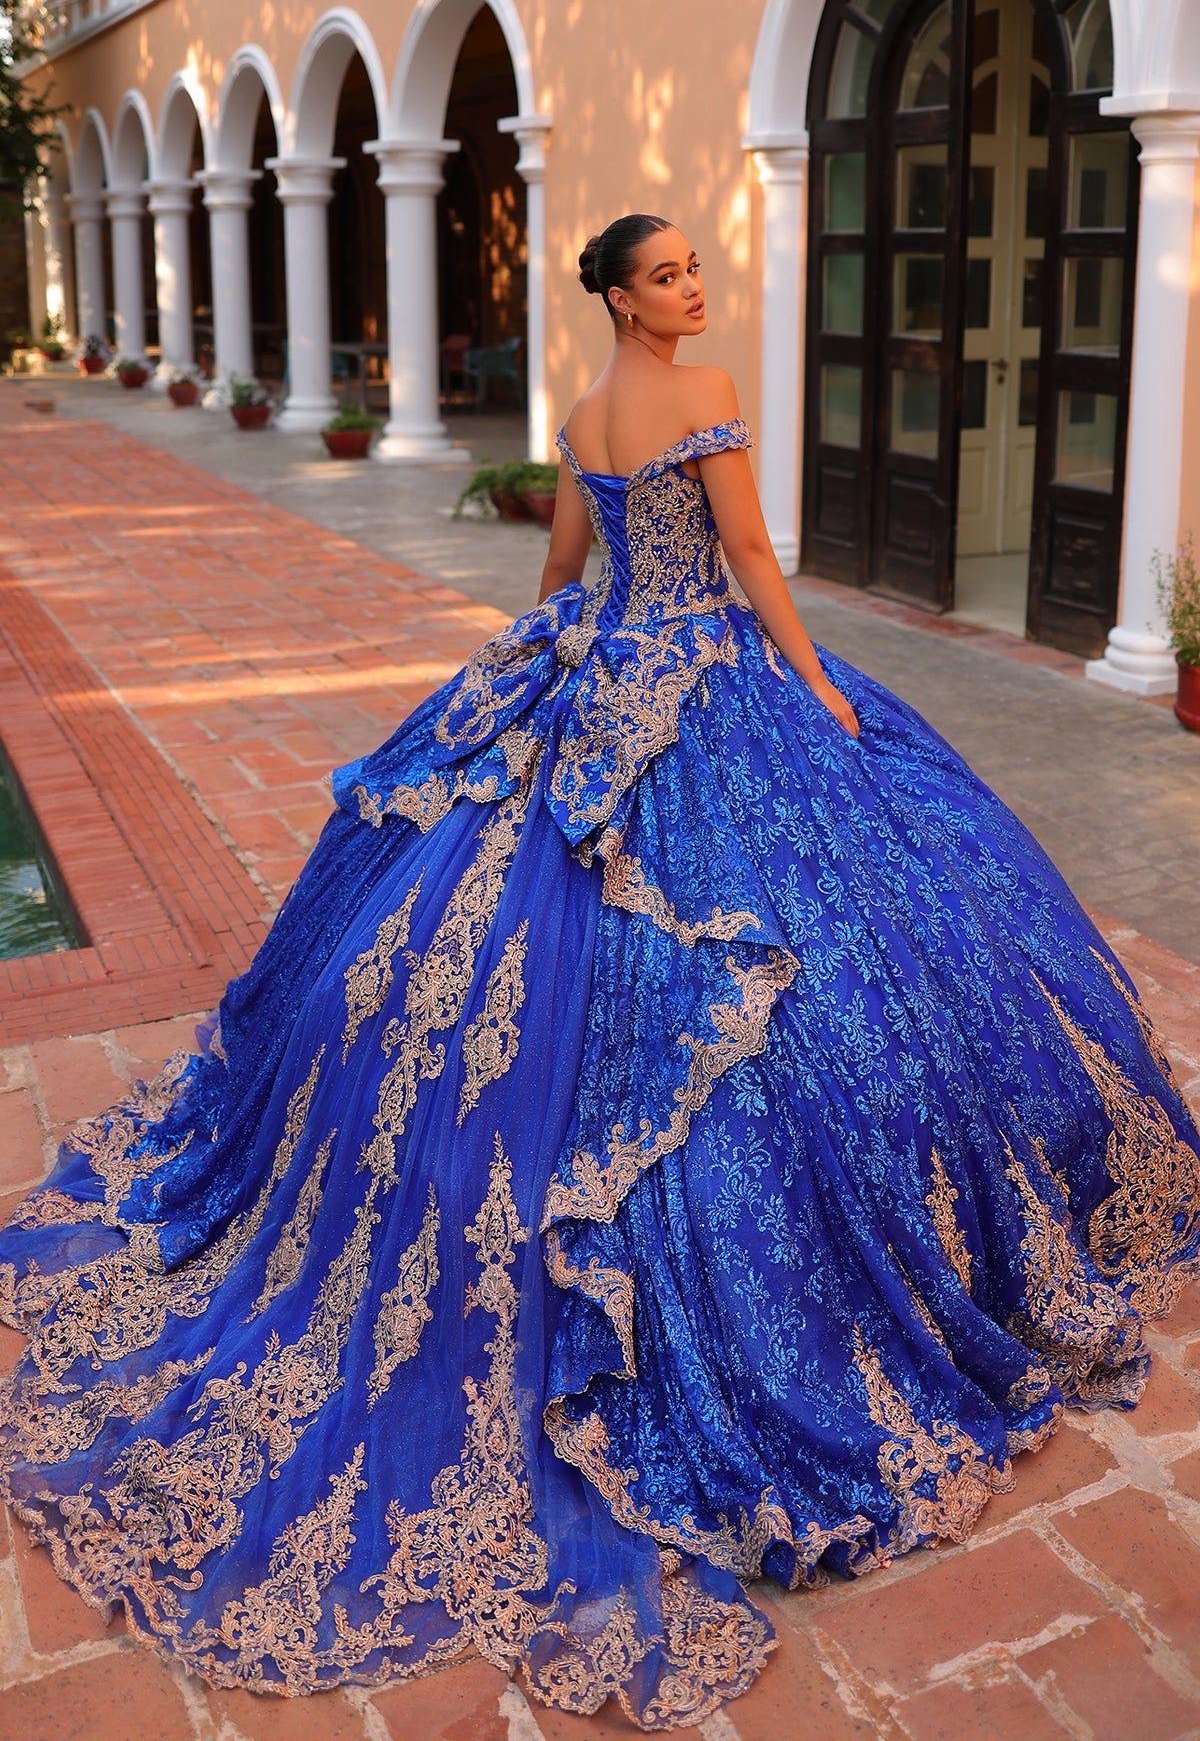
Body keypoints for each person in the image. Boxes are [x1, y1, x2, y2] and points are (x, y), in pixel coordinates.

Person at [1, 212, 1197, 1733]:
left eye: (696, 268)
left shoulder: (579, 417)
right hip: (712, 681)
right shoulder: (702, 398)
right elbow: (749, 554)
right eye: (670, 275)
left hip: (596, 670)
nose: (695, 289)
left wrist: (539, 683)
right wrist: (818, 686)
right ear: (626, 301)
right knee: (809, 950)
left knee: (491, 941)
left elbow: (563, 572)